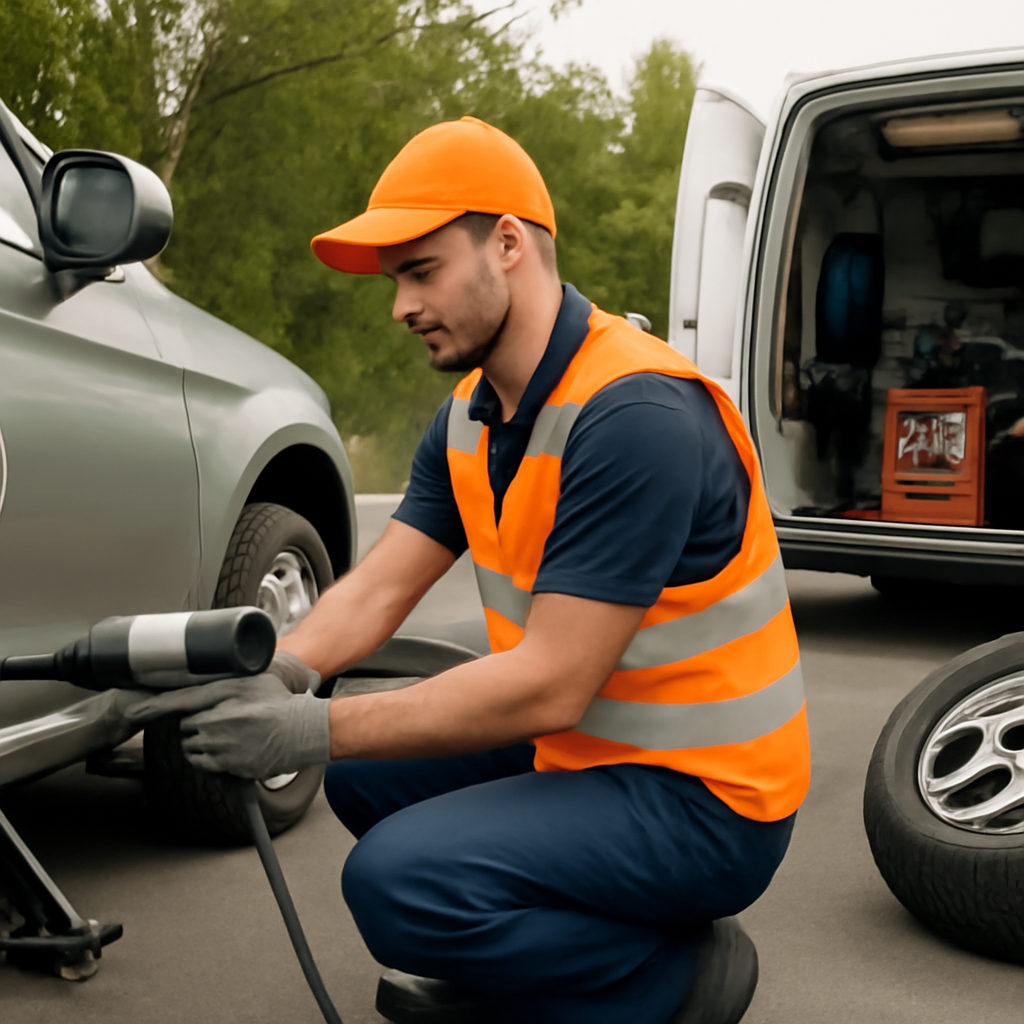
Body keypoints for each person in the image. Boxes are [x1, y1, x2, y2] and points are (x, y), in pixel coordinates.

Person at [128, 116, 811, 1024]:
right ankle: (549, 961)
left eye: (421, 271)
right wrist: (285, 675)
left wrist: (307, 731)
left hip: (708, 798)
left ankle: (671, 978)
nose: (401, 305)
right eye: (395, 281)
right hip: (596, 751)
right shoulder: (471, 415)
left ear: (508, 244)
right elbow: (377, 587)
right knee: (365, 779)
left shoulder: (636, 415)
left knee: (395, 884)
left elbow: (552, 685)